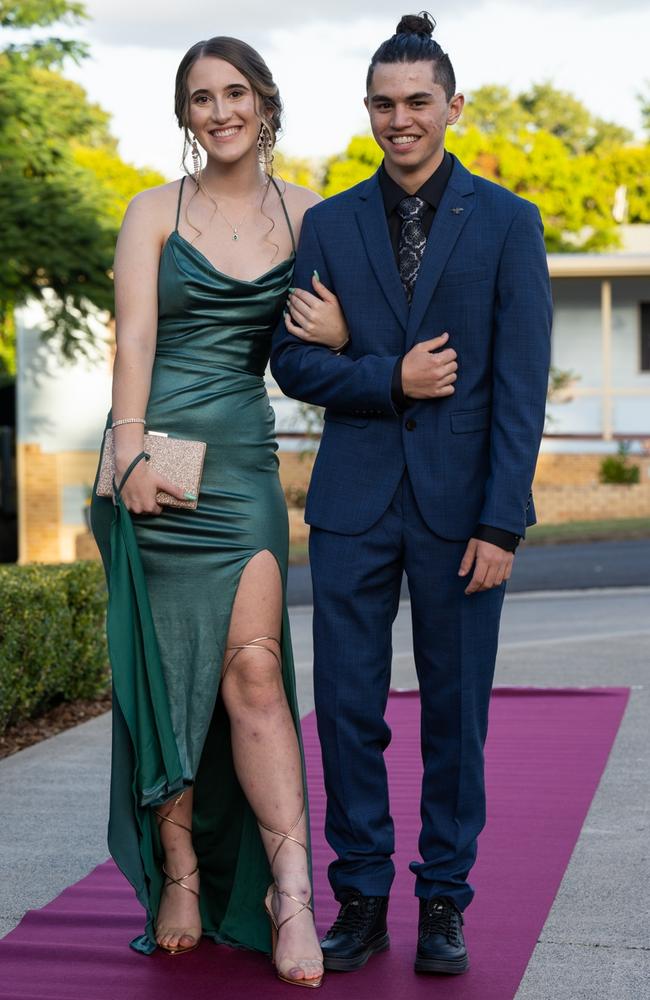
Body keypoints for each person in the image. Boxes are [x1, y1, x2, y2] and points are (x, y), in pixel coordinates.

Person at [271, 12, 552, 977]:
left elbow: (519, 385)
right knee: (347, 707)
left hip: (464, 508)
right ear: (368, 111)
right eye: (385, 104)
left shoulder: (510, 223)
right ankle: (359, 897)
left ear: (451, 106)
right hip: (352, 503)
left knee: (455, 713)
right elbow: (295, 363)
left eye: (419, 102)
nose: (402, 120)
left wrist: (503, 519)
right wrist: (388, 375)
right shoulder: (329, 223)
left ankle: (444, 901)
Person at [91, 35, 346, 988]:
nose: (220, 110)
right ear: (185, 115)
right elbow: (135, 341)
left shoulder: (315, 215)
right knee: (166, 682)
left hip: (239, 466)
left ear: (264, 102)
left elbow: (342, 334)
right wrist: (128, 456)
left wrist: (344, 328)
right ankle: (183, 874)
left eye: (234, 92)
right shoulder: (152, 211)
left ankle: (290, 892)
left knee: (251, 668)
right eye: (201, 97)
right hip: (154, 456)